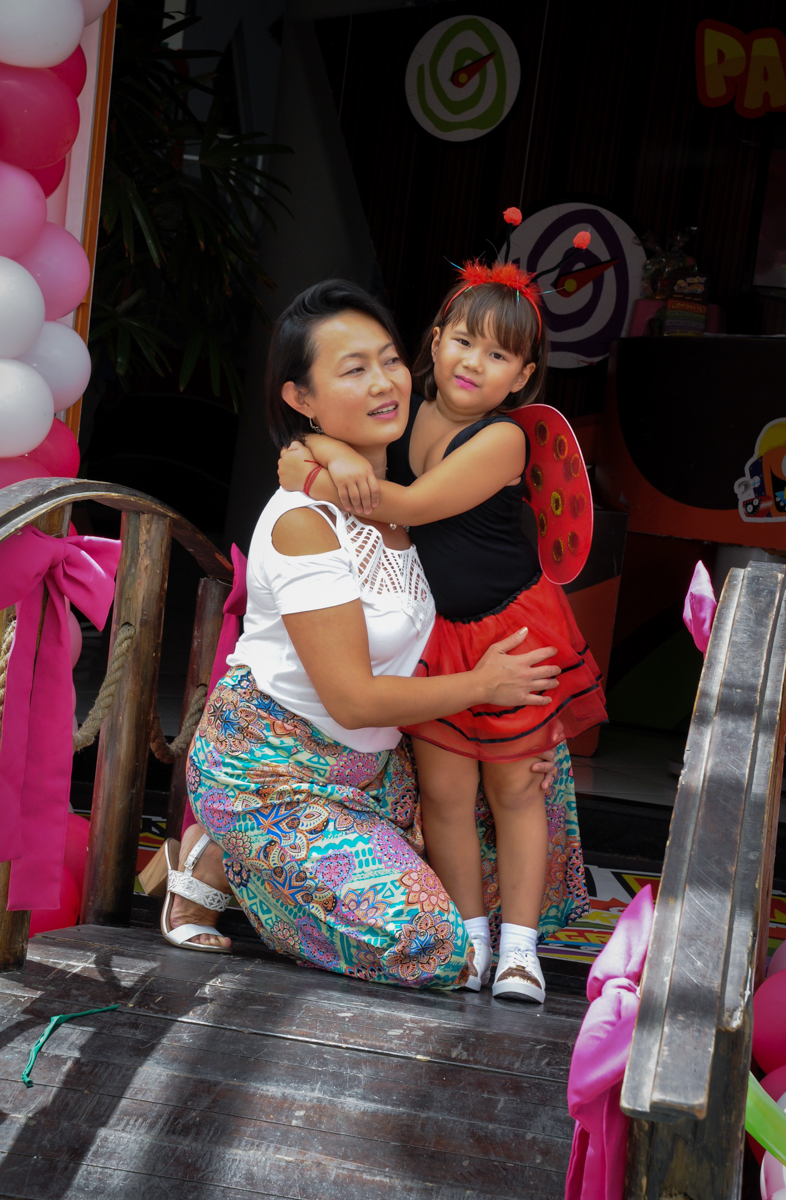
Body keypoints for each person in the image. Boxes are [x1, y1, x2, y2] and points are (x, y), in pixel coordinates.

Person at [140, 279, 562, 991]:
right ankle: (238, 860)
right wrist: (485, 686)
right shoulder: (307, 521)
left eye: (389, 360)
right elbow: (353, 699)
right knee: (439, 949)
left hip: (375, 769)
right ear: (301, 398)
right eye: (353, 370)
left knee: (513, 816)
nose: (383, 383)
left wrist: (525, 723)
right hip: (275, 769)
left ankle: (242, 856)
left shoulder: (408, 493)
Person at [278, 261, 605, 1003]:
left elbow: (410, 506)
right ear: (434, 341)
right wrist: (325, 449)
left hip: (510, 631)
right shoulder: (407, 414)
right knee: (446, 795)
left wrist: (310, 470)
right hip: (439, 630)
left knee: (515, 789)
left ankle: (519, 949)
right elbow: (329, 447)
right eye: (463, 341)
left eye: (498, 355)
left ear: (522, 378)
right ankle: (471, 938)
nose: (473, 363)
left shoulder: (503, 439)